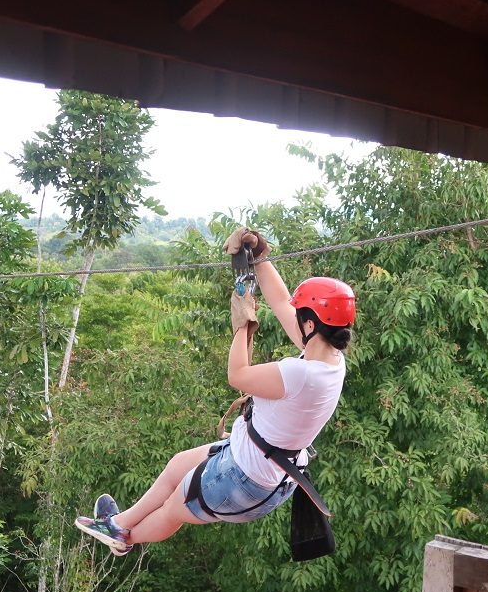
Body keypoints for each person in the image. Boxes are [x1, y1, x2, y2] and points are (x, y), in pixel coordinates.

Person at [75, 228, 355, 555]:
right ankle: (118, 522)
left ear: (310, 325)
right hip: (270, 470)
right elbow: (281, 302)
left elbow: (237, 375)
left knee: (173, 508)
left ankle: (124, 538)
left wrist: (243, 324)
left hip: (244, 478)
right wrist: (259, 258)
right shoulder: (331, 361)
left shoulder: (300, 374)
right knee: (178, 465)